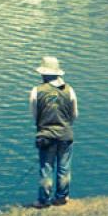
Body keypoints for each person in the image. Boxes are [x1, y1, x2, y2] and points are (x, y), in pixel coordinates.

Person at [29, 56, 78, 208]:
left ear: (43, 73)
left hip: (46, 136)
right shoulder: (69, 90)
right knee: (64, 168)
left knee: (46, 169)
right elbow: (74, 115)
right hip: (65, 134)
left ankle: (43, 201)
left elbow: (34, 115)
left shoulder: (36, 91)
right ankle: (61, 198)